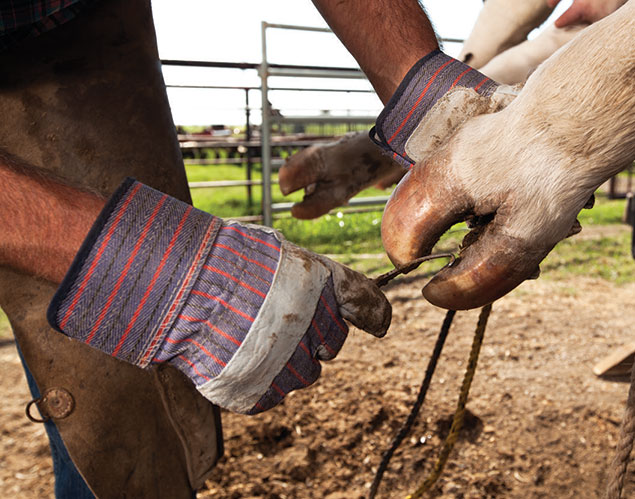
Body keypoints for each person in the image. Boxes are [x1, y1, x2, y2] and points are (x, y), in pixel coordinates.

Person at [1, 0, 632, 496]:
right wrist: (139, 267)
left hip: (72, 18)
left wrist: (421, 98)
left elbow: (558, 38)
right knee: (100, 334)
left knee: (142, 401)